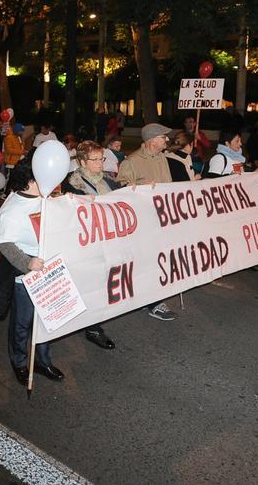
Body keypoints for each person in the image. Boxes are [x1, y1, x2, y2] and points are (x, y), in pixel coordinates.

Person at [0, 156, 65, 385]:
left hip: (52, 270)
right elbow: (4, 243)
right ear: (32, 180)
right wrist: (27, 263)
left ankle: (42, 361)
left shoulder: (46, 198)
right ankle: (20, 362)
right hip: (28, 276)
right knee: (23, 322)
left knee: (47, 319)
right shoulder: (13, 209)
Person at [61, 141, 121, 350]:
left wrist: (136, 190)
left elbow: (123, 198)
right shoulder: (72, 183)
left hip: (108, 241)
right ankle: (93, 328)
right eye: (94, 160)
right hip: (88, 244)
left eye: (101, 158)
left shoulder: (109, 181)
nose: (99, 164)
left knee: (103, 283)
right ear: (81, 161)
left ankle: (90, 320)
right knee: (91, 285)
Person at [117, 123, 178, 320]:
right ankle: (153, 302)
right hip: (143, 222)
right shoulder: (132, 161)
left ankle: (149, 298)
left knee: (159, 259)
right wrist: (140, 186)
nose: (167, 140)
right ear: (152, 141)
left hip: (162, 218)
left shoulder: (162, 158)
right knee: (149, 261)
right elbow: (120, 190)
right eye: (163, 137)